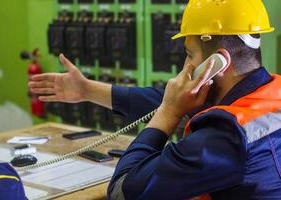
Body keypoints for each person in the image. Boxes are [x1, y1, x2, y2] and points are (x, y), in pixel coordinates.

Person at [29, 0, 281, 199]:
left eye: (189, 54)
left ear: (217, 62)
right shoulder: (268, 96)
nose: (186, 66)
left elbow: (123, 191)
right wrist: (87, 90)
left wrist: (167, 115)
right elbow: (172, 101)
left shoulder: (226, 137)